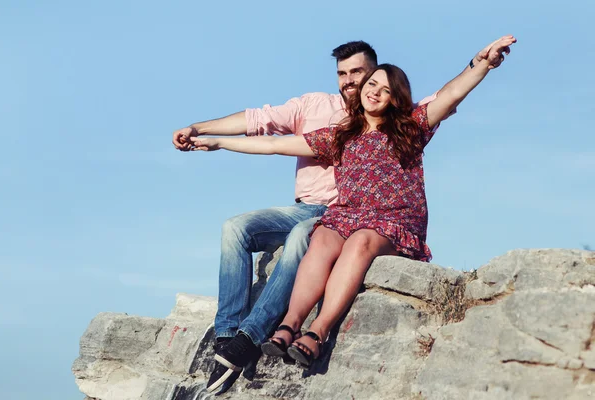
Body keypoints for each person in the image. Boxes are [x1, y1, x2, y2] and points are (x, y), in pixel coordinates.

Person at [189, 35, 516, 370]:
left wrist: (482, 64)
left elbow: (450, 94)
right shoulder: (339, 136)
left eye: (385, 89)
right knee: (321, 238)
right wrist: (217, 142)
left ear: (394, 98)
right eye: (371, 84)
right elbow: (276, 145)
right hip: (348, 217)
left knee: (358, 241)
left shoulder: (411, 127)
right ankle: (289, 325)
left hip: (394, 221)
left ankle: (317, 331)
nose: (374, 91)